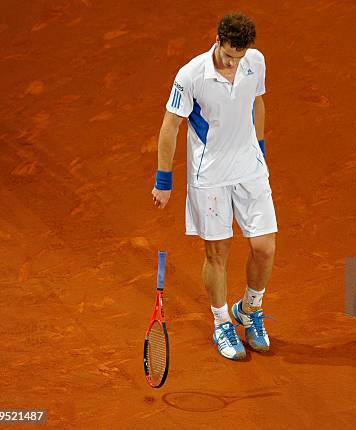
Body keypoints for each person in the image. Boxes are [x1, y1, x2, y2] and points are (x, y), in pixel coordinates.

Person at [151, 12, 276, 360]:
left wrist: (260, 151)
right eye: (227, 54)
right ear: (218, 39)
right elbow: (170, 126)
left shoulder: (256, 62)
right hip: (210, 178)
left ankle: (249, 312)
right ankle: (222, 322)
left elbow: (257, 102)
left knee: (264, 247)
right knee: (217, 253)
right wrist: (164, 180)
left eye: (239, 56)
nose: (232, 62)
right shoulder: (191, 76)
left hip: (249, 169)